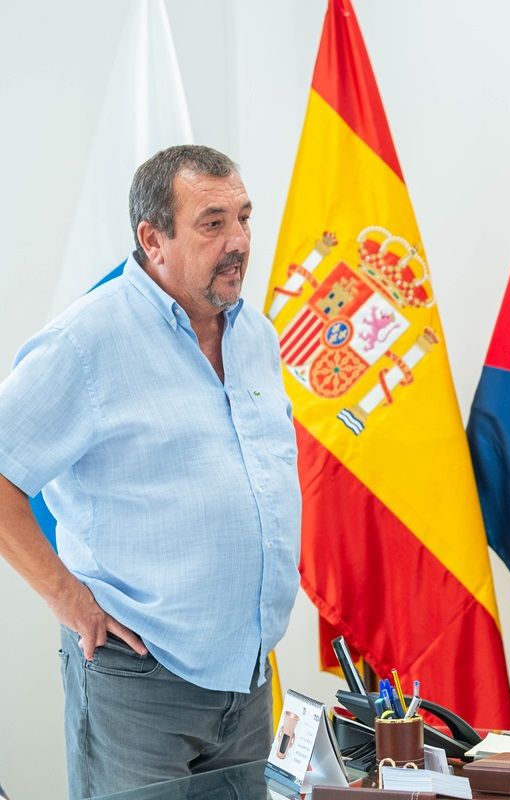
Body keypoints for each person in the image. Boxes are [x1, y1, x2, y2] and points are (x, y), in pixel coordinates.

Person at [0, 145, 301, 798]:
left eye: (245, 218)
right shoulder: (88, 341)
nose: (239, 241)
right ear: (152, 238)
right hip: (140, 686)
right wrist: (66, 597)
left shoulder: (256, 337)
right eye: (212, 223)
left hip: (247, 682)